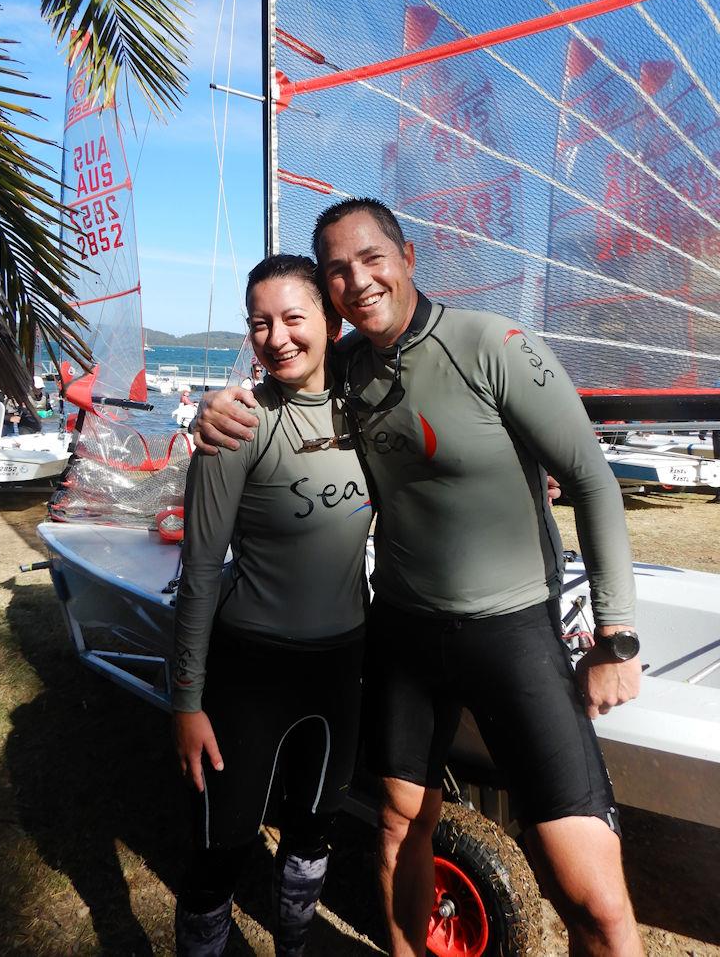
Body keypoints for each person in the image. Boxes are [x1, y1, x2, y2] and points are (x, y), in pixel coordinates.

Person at [192, 198, 644, 957]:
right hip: (402, 631)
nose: (357, 280)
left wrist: (617, 630)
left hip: (510, 631)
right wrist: (208, 415)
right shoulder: (347, 371)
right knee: (400, 828)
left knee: (592, 898)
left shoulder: (490, 342)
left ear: (408, 255)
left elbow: (592, 479)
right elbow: (281, 384)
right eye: (337, 270)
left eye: (371, 258)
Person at [172, 254, 372, 956]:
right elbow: (198, 571)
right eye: (260, 322)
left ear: (331, 320)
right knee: (219, 850)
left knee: (313, 834)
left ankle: (295, 944)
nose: (277, 336)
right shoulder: (236, 425)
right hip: (250, 671)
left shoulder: (367, 410)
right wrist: (187, 701)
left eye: (294, 317)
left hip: (341, 662)